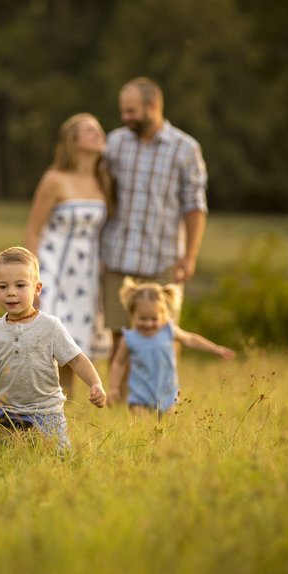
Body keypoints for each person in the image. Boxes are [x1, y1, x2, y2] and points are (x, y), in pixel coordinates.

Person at [100, 76, 208, 401]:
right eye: (123, 111)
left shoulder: (185, 148)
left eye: (131, 111)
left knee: (163, 338)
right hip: (120, 258)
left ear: (153, 106)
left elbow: (195, 206)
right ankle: (123, 407)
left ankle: (164, 404)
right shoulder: (115, 143)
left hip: (163, 259)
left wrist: (189, 256)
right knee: (121, 339)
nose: (125, 118)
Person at [0, 246, 107, 450]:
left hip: (45, 412)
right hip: (4, 411)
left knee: (57, 457)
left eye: (20, 285)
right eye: (3, 287)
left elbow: (76, 359)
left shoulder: (50, 326)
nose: (11, 293)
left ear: (37, 288)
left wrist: (95, 384)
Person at [24, 113, 115, 398]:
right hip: (53, 269)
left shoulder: (104, 181)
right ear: (72, 141)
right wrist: (31, 280)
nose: (99, 134)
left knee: (77, 347)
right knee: (48, 343)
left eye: (100, 129)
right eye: (90, 130)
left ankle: (68, 418)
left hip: (87, 275)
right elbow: (34, 230)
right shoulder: (55, 180)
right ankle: (34, 414)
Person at [108, 278, 235, 417]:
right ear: (132, 314)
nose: (148, 324)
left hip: (167, 394)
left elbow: (191, 339)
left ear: (163, 314)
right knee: (142, 429)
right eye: (142, 319)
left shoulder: (168, 331)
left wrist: (215, 349)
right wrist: (114, 387)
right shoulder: (129, 339)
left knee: (166, 430)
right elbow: (118, 363)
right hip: (139, 396)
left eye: (153, 319)